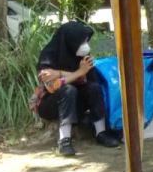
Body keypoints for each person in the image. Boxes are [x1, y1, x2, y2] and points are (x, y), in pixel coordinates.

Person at [33, 22, 121, 156]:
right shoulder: (48, 55)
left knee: (94, 88)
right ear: (71, 42)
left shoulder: (82, 56)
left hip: (76, 102)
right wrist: (78, 73)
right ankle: (64, 140)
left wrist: (60, 73)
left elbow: (87, 78)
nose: (85, 45)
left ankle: (101, 132)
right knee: (68, 90)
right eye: (82, 42)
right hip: (50, 104)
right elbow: (52, 86)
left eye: (86, 41)